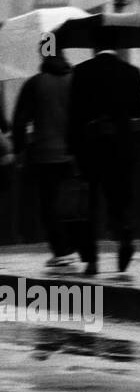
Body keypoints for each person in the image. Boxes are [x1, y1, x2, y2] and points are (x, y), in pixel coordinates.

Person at [67, 41, 140, 276]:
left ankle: (91, 260)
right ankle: (125, 238)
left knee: (89, 204)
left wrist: (72, 150)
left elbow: (73, 115)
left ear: (94, 48)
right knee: (120, 199)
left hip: (89, 148)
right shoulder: (131, 72)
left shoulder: (81, 72)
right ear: (118, 46)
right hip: (120, 147)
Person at [13, 44, 75, 266]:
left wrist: (19, 149)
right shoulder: (75, 80)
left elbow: (20, 121)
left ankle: (61, 252)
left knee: (48, 203)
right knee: (73, 200)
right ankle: (75, 244)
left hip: (45, 154)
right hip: (73, 153)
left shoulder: (35, 84)